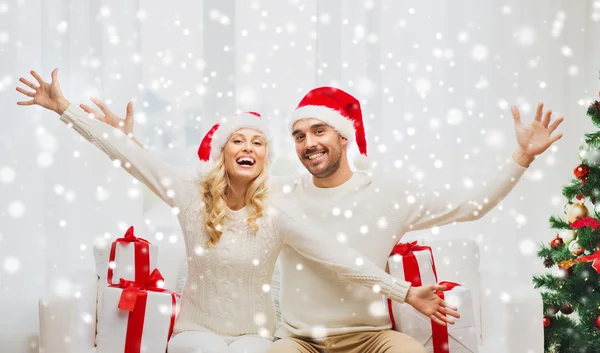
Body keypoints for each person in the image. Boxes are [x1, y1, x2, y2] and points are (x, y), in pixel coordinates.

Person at [15, 70, 459, 353]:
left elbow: (336, 256)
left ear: (266, 157)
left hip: (255, 337)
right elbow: (134, 160)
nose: (247, 147)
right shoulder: (189, 194)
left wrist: (402, 292)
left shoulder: (279, 210)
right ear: (221, 151)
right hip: (196, 332)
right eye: (238, 140)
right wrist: (65, 109)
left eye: (258, 141)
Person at [263, 87, 564, 353]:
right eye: (299, 136)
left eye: (319, 131)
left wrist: (522, 157)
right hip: (299, 341)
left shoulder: (386, 196)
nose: (308, 143)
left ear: (343, 137)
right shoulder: (281, 193)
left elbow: (472, 206)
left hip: (370, 338)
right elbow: (225, 186)